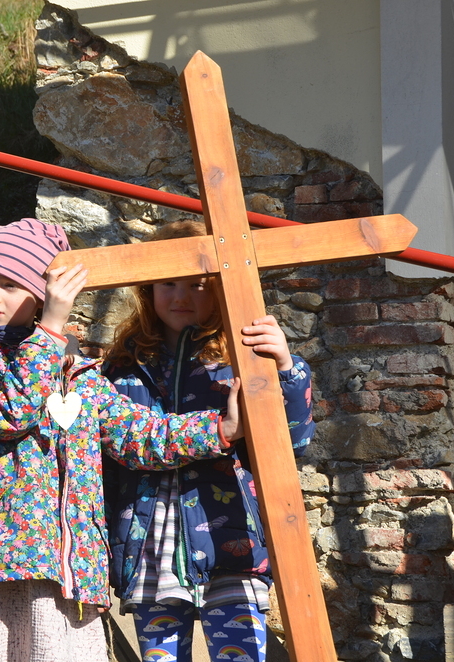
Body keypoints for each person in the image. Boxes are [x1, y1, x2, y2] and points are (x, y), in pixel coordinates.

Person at [0, 218, 244, 662]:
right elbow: (6, 413)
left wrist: (220, 429)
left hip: (69, 572)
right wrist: (50, 331)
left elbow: (137, 435)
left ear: (42, 291)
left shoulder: (77, 372)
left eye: (11, 284)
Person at [102, 220, 315, 662]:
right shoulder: (124, 366)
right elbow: (121, 446)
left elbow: (294, 442)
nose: (181, 296)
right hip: (150, 546)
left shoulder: (242, 360)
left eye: (197, 285)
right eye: (169, 283)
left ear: (220, 289)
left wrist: (286, 368)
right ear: (147, 289)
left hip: (231, 541)